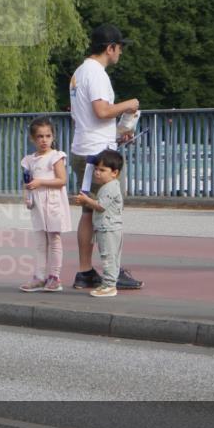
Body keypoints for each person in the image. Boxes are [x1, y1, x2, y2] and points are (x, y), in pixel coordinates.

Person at [68, 23, 142, 290]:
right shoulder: (97, 74)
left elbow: (89, 116)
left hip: (83, 148)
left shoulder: (79, 72)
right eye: (119, 47)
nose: (120, 52)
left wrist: (117, 132)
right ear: (109, 48)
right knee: (110, 214)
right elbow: (101, 111)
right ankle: (112, 271)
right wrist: (130, 105)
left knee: (88, 212)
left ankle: (85, 271)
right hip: (99, 154)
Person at [19, 117, 71, 293]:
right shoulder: (29, 160)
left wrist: (40, 182)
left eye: (48, 136)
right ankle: (39, 276)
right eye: (40, 136)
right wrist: (27, 195)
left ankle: (54, 277)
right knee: (40, 241)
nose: (44, 140)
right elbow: (26, 181)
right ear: (33, 139)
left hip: (53, 202)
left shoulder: (56, 157)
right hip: (38, 204)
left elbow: (62, 180)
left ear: (53, 137)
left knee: (54, 239)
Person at [72, 150, 125, 298]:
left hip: (109, 229)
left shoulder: (111, 187)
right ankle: (109, 283)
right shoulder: (108, 186)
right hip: (106, 228)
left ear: (114, 173)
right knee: (110, 256)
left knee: (108, 257)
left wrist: (86, 200)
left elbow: (101, 206)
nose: (97, 173)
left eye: (102, 170)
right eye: (96, 169)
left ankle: (109, 285)